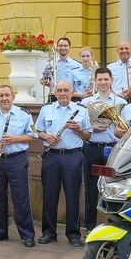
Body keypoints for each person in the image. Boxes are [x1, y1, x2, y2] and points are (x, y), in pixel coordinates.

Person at [0, 84, 39, 247]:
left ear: (13, 97)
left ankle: (27, 234)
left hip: (16, 159)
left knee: (21, 198)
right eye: (1, 96)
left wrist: (15, 139)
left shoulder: (23, 114)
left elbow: (33, 136)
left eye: (7, 95)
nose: (4, 98)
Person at [35, 80, 91, 246]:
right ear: (55, 92)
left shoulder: (81, 110)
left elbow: (89, 136)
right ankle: (48, 232)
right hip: (51, 156)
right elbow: (38, 131)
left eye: (66, 90)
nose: (63, 93)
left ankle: (73, 234)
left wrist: (79, 129)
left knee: (73, 195)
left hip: (73, 157)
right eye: (59, 90)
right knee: (49, 195)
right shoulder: (46, 109)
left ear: (72, 92)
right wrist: (46, 137)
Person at [80, 67, 126, 231]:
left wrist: (118, 130)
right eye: (99, 79)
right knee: (91, 189)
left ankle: (113, 228)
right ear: (95, 81)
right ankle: (90, 228)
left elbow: (126, 127)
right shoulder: (87, 102)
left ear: (111, 80)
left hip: (113, 149)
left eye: (106, 79)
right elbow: (81, 126)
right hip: (92, 148)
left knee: (114, 189)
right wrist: (92, 128)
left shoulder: (121, 102)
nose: (103, 82)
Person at [40, 36, 80, 102]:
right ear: (57, 47)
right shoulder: (49, 63)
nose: (63, 48)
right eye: (60, 46)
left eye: (65, 46)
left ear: (69, 47)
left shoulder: (77, 65)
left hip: (70, 96)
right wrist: (45, 82)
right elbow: (42, 79)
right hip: (54, 96)